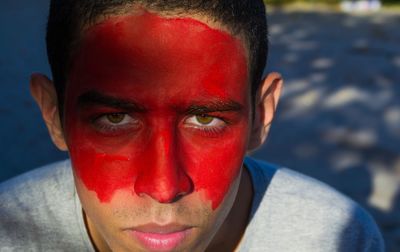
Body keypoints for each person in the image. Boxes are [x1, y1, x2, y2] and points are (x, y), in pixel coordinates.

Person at [0, 0, 384, 251]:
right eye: (115, 119)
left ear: (262, 115)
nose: (164, 188)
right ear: (53, 114)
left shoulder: (336, 237)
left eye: (205, 118)